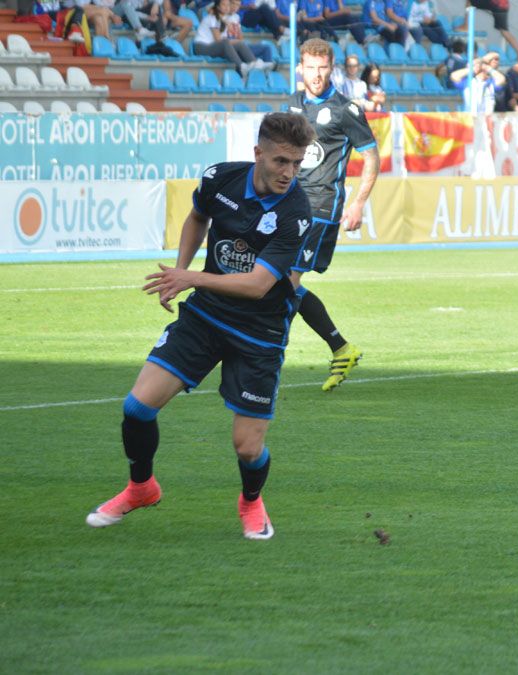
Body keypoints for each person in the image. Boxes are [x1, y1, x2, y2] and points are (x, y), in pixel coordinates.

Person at [85, 113, 315, 541]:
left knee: (247, 447)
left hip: (259, 334)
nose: (289, 172)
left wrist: (190, 278)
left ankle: (250, 501)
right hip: (206, 316)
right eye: (281, 160)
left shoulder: (296, 213)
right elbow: (197, 218)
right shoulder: (220, 179)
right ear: (258, 154)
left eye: (297, 163)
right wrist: (179, 269)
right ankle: (141, 488)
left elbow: (258, 285)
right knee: (136, 407)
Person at [288, 38, 379, 391]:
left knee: (285, 283)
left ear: (331, 68)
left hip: (322, 207)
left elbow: (371, 158)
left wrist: (357, 203)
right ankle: (340, 347)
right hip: (291, 204)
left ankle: (266, 359)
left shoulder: (345, 110)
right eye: (310, 67)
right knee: (280, 282)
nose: (316, 74)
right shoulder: (293, 104)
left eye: (322, 68)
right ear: (301, 68)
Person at [195, 0, 266, 75]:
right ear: (218, 7)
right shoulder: (213, 17)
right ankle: (241, 67)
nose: (226, 7)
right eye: (223, 5)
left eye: (228, 5)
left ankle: (254, 64)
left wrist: (238, 42)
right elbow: (219, 40)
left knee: (240, 45)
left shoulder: (224, 20)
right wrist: (237, 41)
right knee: (228, 43)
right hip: (201, 47)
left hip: (213, 47)